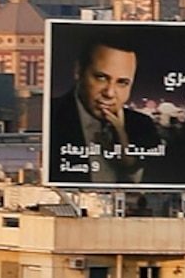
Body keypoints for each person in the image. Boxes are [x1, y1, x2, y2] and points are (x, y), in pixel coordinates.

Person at [47, 34, 165, 183]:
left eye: (122, 82)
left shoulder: (142, 126)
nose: (109, 93)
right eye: (101, 77)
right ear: (78, 71)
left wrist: (128, 161)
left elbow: (157, 185)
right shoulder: (51, 116)